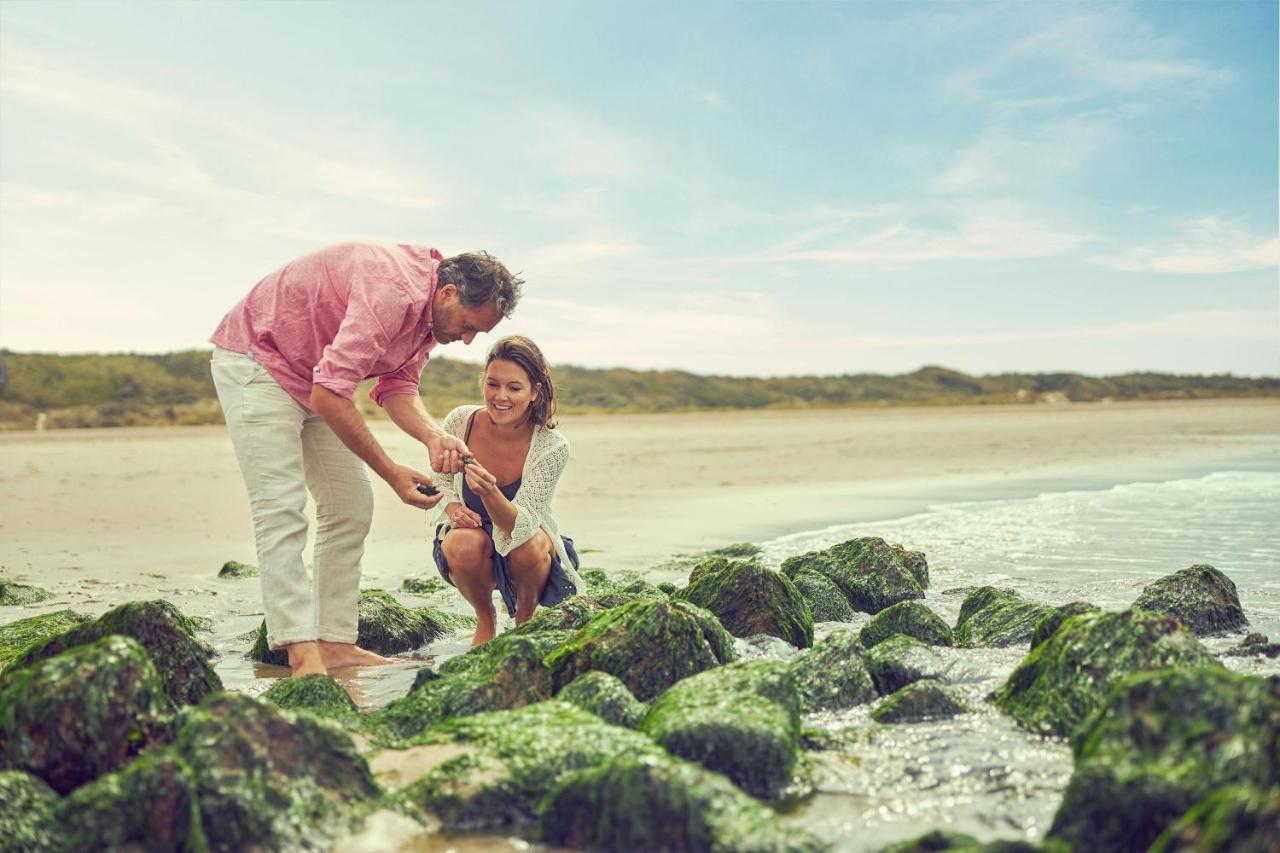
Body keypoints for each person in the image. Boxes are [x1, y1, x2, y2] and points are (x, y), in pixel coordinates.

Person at [209, 242, 521, 677]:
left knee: (351, 505)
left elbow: (397, 388)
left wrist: (433, 436)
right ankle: (301, 652)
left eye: (477, 333)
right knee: (280, 510)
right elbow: (331, 394)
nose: (467, 340)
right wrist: (392, 472)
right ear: (448, 293)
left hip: (316, 376)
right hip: (258, 362)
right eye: (468, 326)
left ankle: (335, 642)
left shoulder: (430, 320)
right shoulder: (391, 291)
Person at [430, 336, 582, 646]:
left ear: (534, 392)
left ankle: (524, 621)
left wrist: (489, 492)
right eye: (492, 384)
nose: (501, 397)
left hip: (524, 539)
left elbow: (521, 526)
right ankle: (486, 618)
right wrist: (455, 510)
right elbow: (440, 481)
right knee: (462, 543)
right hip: (472, 537)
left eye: (514, 388)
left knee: (528, 546)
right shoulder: (461, 421)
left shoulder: (552, 447)